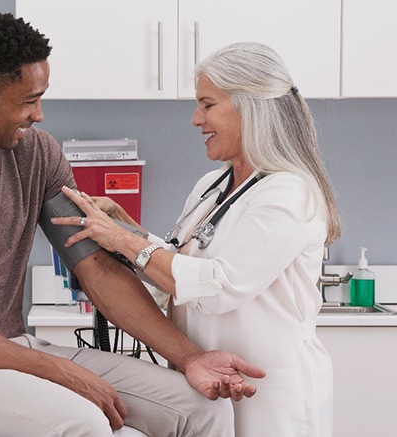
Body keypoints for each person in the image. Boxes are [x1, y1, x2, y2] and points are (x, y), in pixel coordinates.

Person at [0, 13, 266, 437]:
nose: (39, 115)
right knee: (83, 423)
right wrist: (57, 370)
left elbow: (94, 266)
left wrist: (189, 359)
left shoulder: (36, 154)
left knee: (202, 409)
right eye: (27, 100)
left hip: (11, 348)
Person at [53, 42, 339, 437]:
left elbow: (219, 285)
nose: (195, 119)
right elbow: (178, 265)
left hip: (271, 390)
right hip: (211, 381)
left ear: (249, 107)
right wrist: (125, 225)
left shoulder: (289, 192)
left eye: (208, 105)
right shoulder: (213, 185)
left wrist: (123, 239)